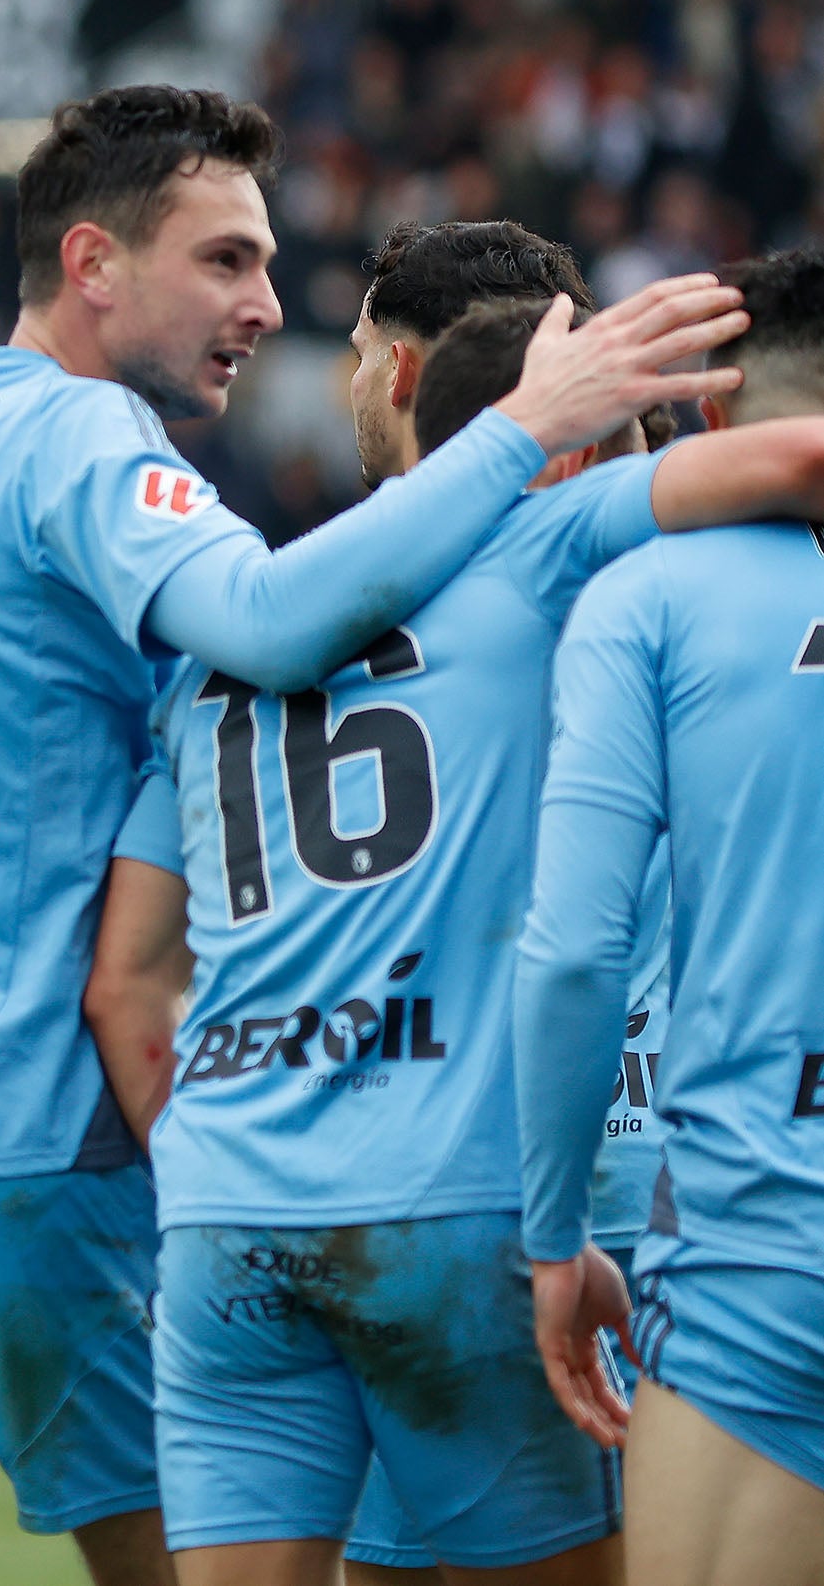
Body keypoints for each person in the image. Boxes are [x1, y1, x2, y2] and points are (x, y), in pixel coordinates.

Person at [0, 85, 737, 1586]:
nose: (264, 304)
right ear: (92, 260)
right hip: (2, 1127)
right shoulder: (85, 434)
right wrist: (524, 431)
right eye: (227, 260)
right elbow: (264, 621)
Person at [93, 281, 824, 1586]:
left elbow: (123, 986)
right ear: (563, 434)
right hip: (446, 1200)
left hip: (223, 1213)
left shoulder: (227, 638)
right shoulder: (543, 544)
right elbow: (799, 449)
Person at [316, 220, 668, 1584]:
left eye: (352, 351)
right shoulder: (649, 573)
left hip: (420, 1195)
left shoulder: (304, 603)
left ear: (402, 372)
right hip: (624, 1168)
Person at [515, 248, 824, 1586]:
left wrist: (548, 1240)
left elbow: (576, 949)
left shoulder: (647, 596)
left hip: (771, 1242)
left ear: (706, 414)